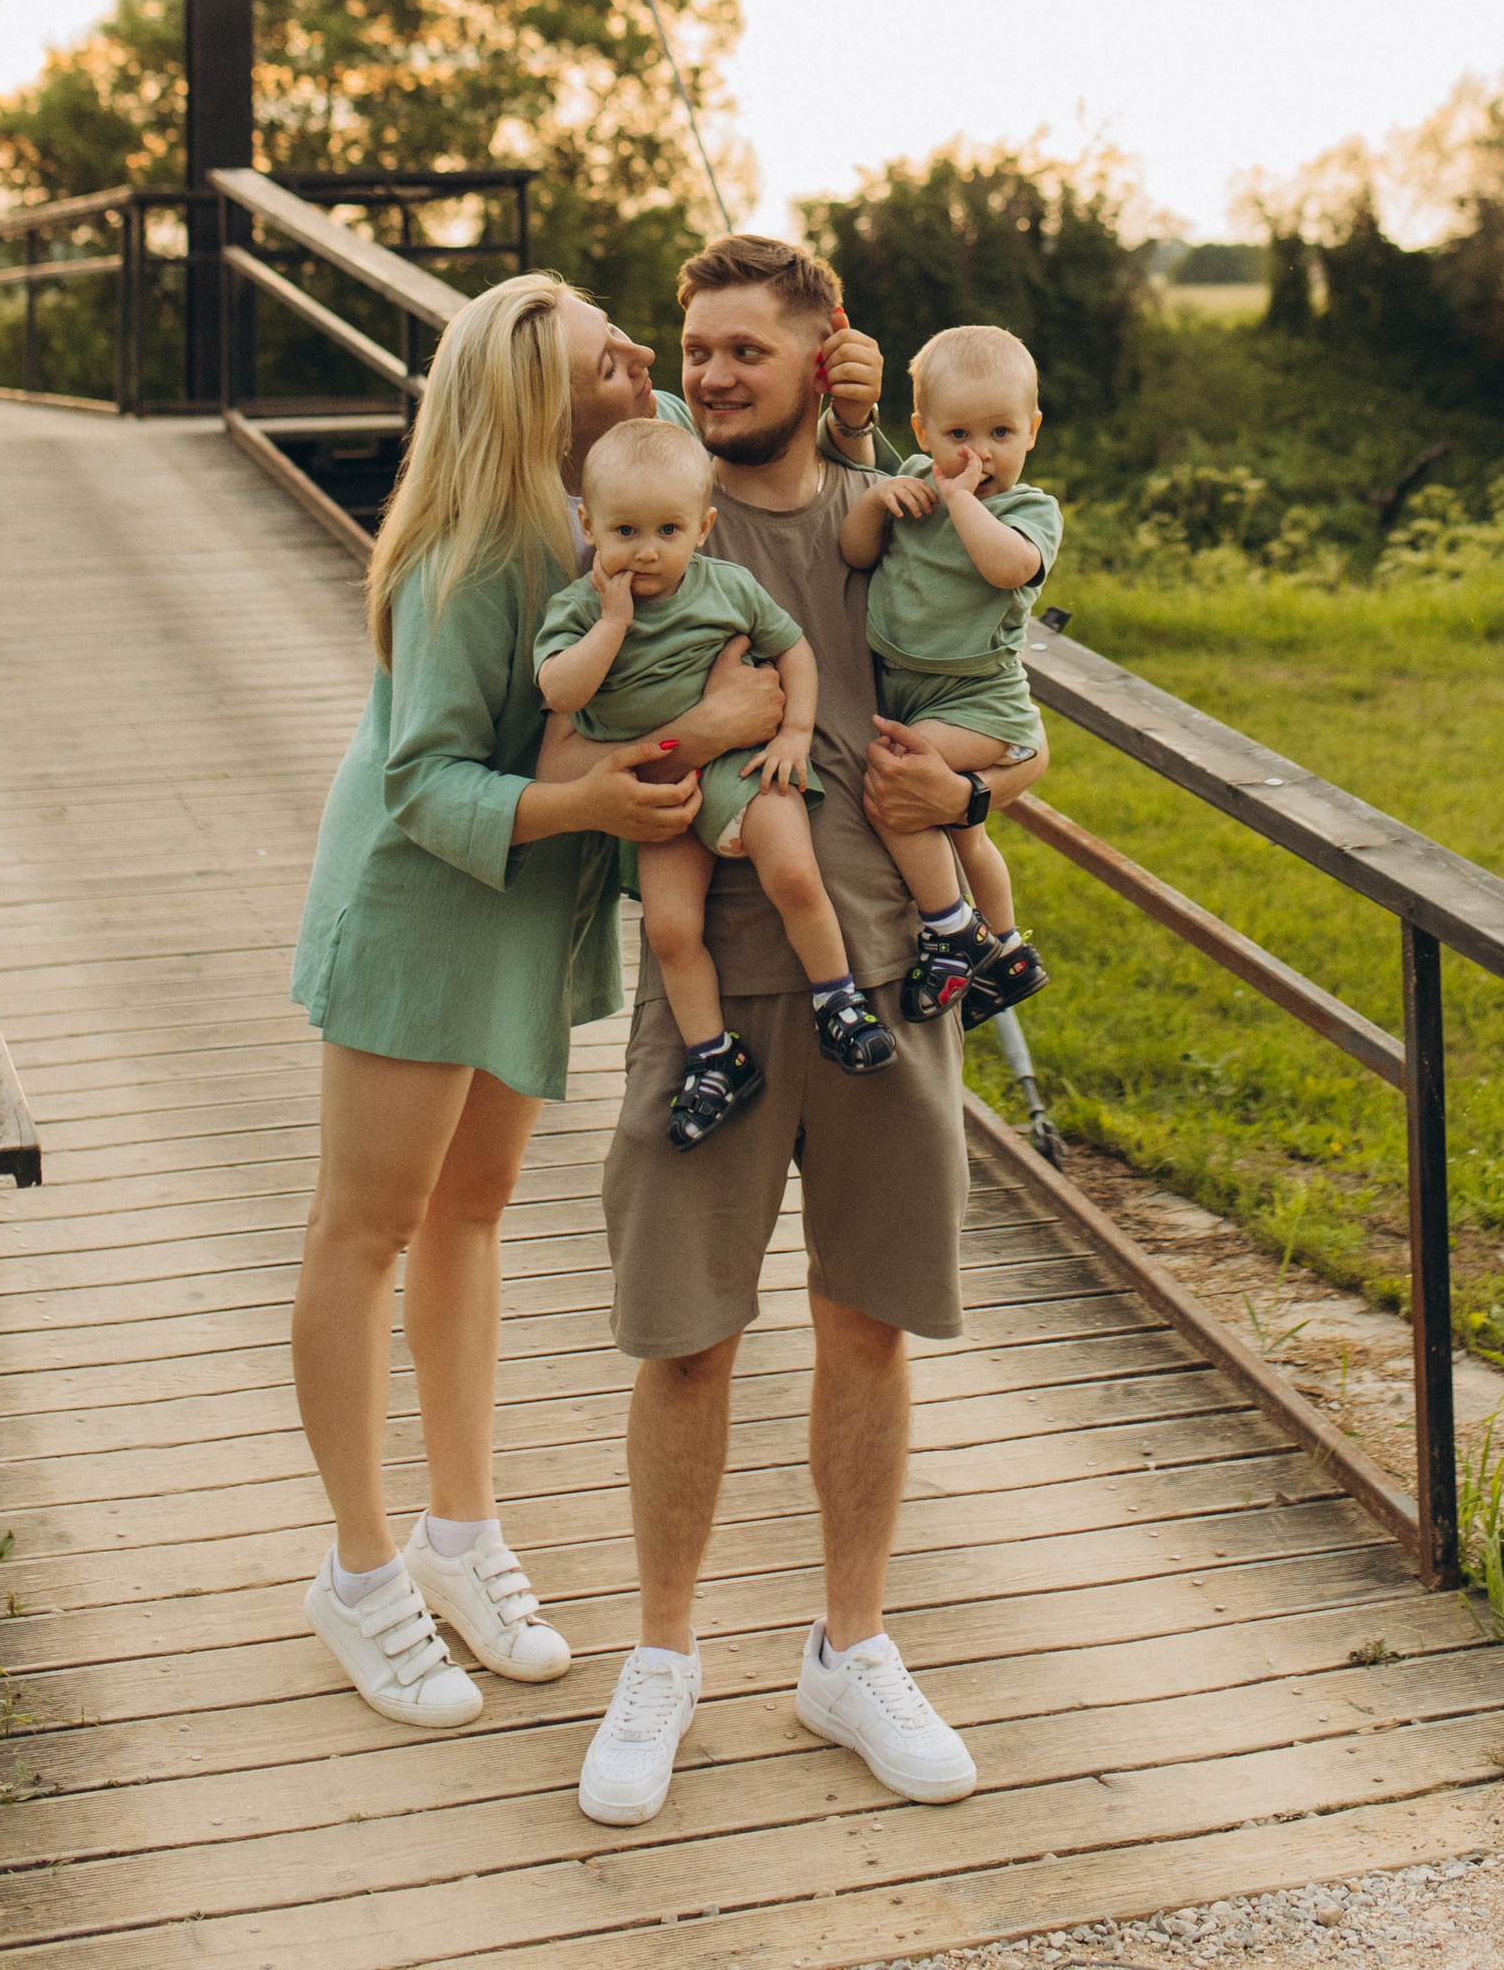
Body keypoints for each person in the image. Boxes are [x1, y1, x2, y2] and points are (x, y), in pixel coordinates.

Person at [578, 235, 1050, 1832]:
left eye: (745, 350)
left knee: (867, 1317)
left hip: (894, 973)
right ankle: (661, 1658)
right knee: (687, 1331)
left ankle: (851, 1648)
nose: (710, 372)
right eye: (692, 347)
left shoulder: (897, 503)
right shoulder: (651, 525)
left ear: (826, 353)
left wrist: (974, 794)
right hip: (711, 973)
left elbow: (1005, 676)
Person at [286, 275, 788, 1731]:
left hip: (521, 910)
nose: (650, 365)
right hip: (424, 907)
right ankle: (362, 1572)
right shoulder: (463, 554)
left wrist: (852, 380)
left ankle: (461, 1532)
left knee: (473, 1213)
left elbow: (753, 437)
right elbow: (422, 778)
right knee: (366, 1226)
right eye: (614, 359)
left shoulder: (618, 494)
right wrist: (654, 762)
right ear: (544, 404)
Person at [534, 413, 896, 1144]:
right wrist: (610, 625)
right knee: (670, 931)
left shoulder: (726, 587)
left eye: (668, 531)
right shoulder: (579, 609)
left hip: (743, 765)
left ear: (702, 528)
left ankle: (839, 1001)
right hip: (663, 796)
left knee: (794, 871)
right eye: (624, 532)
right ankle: (714, 1057)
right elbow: (560, 693)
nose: (645, 552)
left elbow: (793, 648)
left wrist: (795, 731)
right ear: (588, 525)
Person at [839, 322, 1059, 1024]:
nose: (979, 454)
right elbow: (855, 555)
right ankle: (1008, 949)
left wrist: (961, 499)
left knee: (897, 783)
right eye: (958, 434)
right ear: (922, 433)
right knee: (964, 831)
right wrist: (874, 503)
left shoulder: (1027, 510)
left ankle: (949, 930)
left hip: (978, 701)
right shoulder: (909, 485)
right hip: (909, 686)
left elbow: (1009, 568)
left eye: (1000, 433)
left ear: (1031, 431)